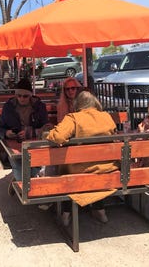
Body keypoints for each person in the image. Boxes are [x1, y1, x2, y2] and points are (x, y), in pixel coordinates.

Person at [46, 90, 118, 225]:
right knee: (96, 168)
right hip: (107, 168)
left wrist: (49, 134)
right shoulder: (106, 116)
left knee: (67, 172)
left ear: (77, 104)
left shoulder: (73, 118)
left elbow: (58, 137)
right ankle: (100, 210)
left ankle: (66, 213)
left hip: (80, 171)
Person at [0, 78, 49, 195]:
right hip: (14, 146)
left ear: (30, 95)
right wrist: (6, 133)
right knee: (23, 174)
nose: (21, 98)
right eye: (19, 95)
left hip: (34, 144)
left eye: (25, 96)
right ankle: (19, 180)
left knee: (32, 171)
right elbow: (0, 128)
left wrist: (31, 132)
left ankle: (19, 181)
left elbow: (46, 127)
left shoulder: (39, 106)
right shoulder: (8, 107)